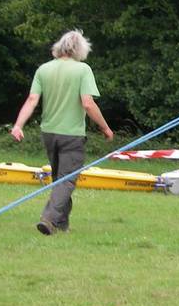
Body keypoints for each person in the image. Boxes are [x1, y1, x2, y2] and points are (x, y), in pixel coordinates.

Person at [11, 29, 113, 235]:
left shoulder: (44, 69)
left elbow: (32, 100)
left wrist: (18, 125)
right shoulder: (83, 70)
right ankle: (48, 219)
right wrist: (105, 127)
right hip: (71, 135)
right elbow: (88, 103)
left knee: (60, 178)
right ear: (80, 50)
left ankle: (61, 224)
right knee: (67, 180)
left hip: (48, 133)